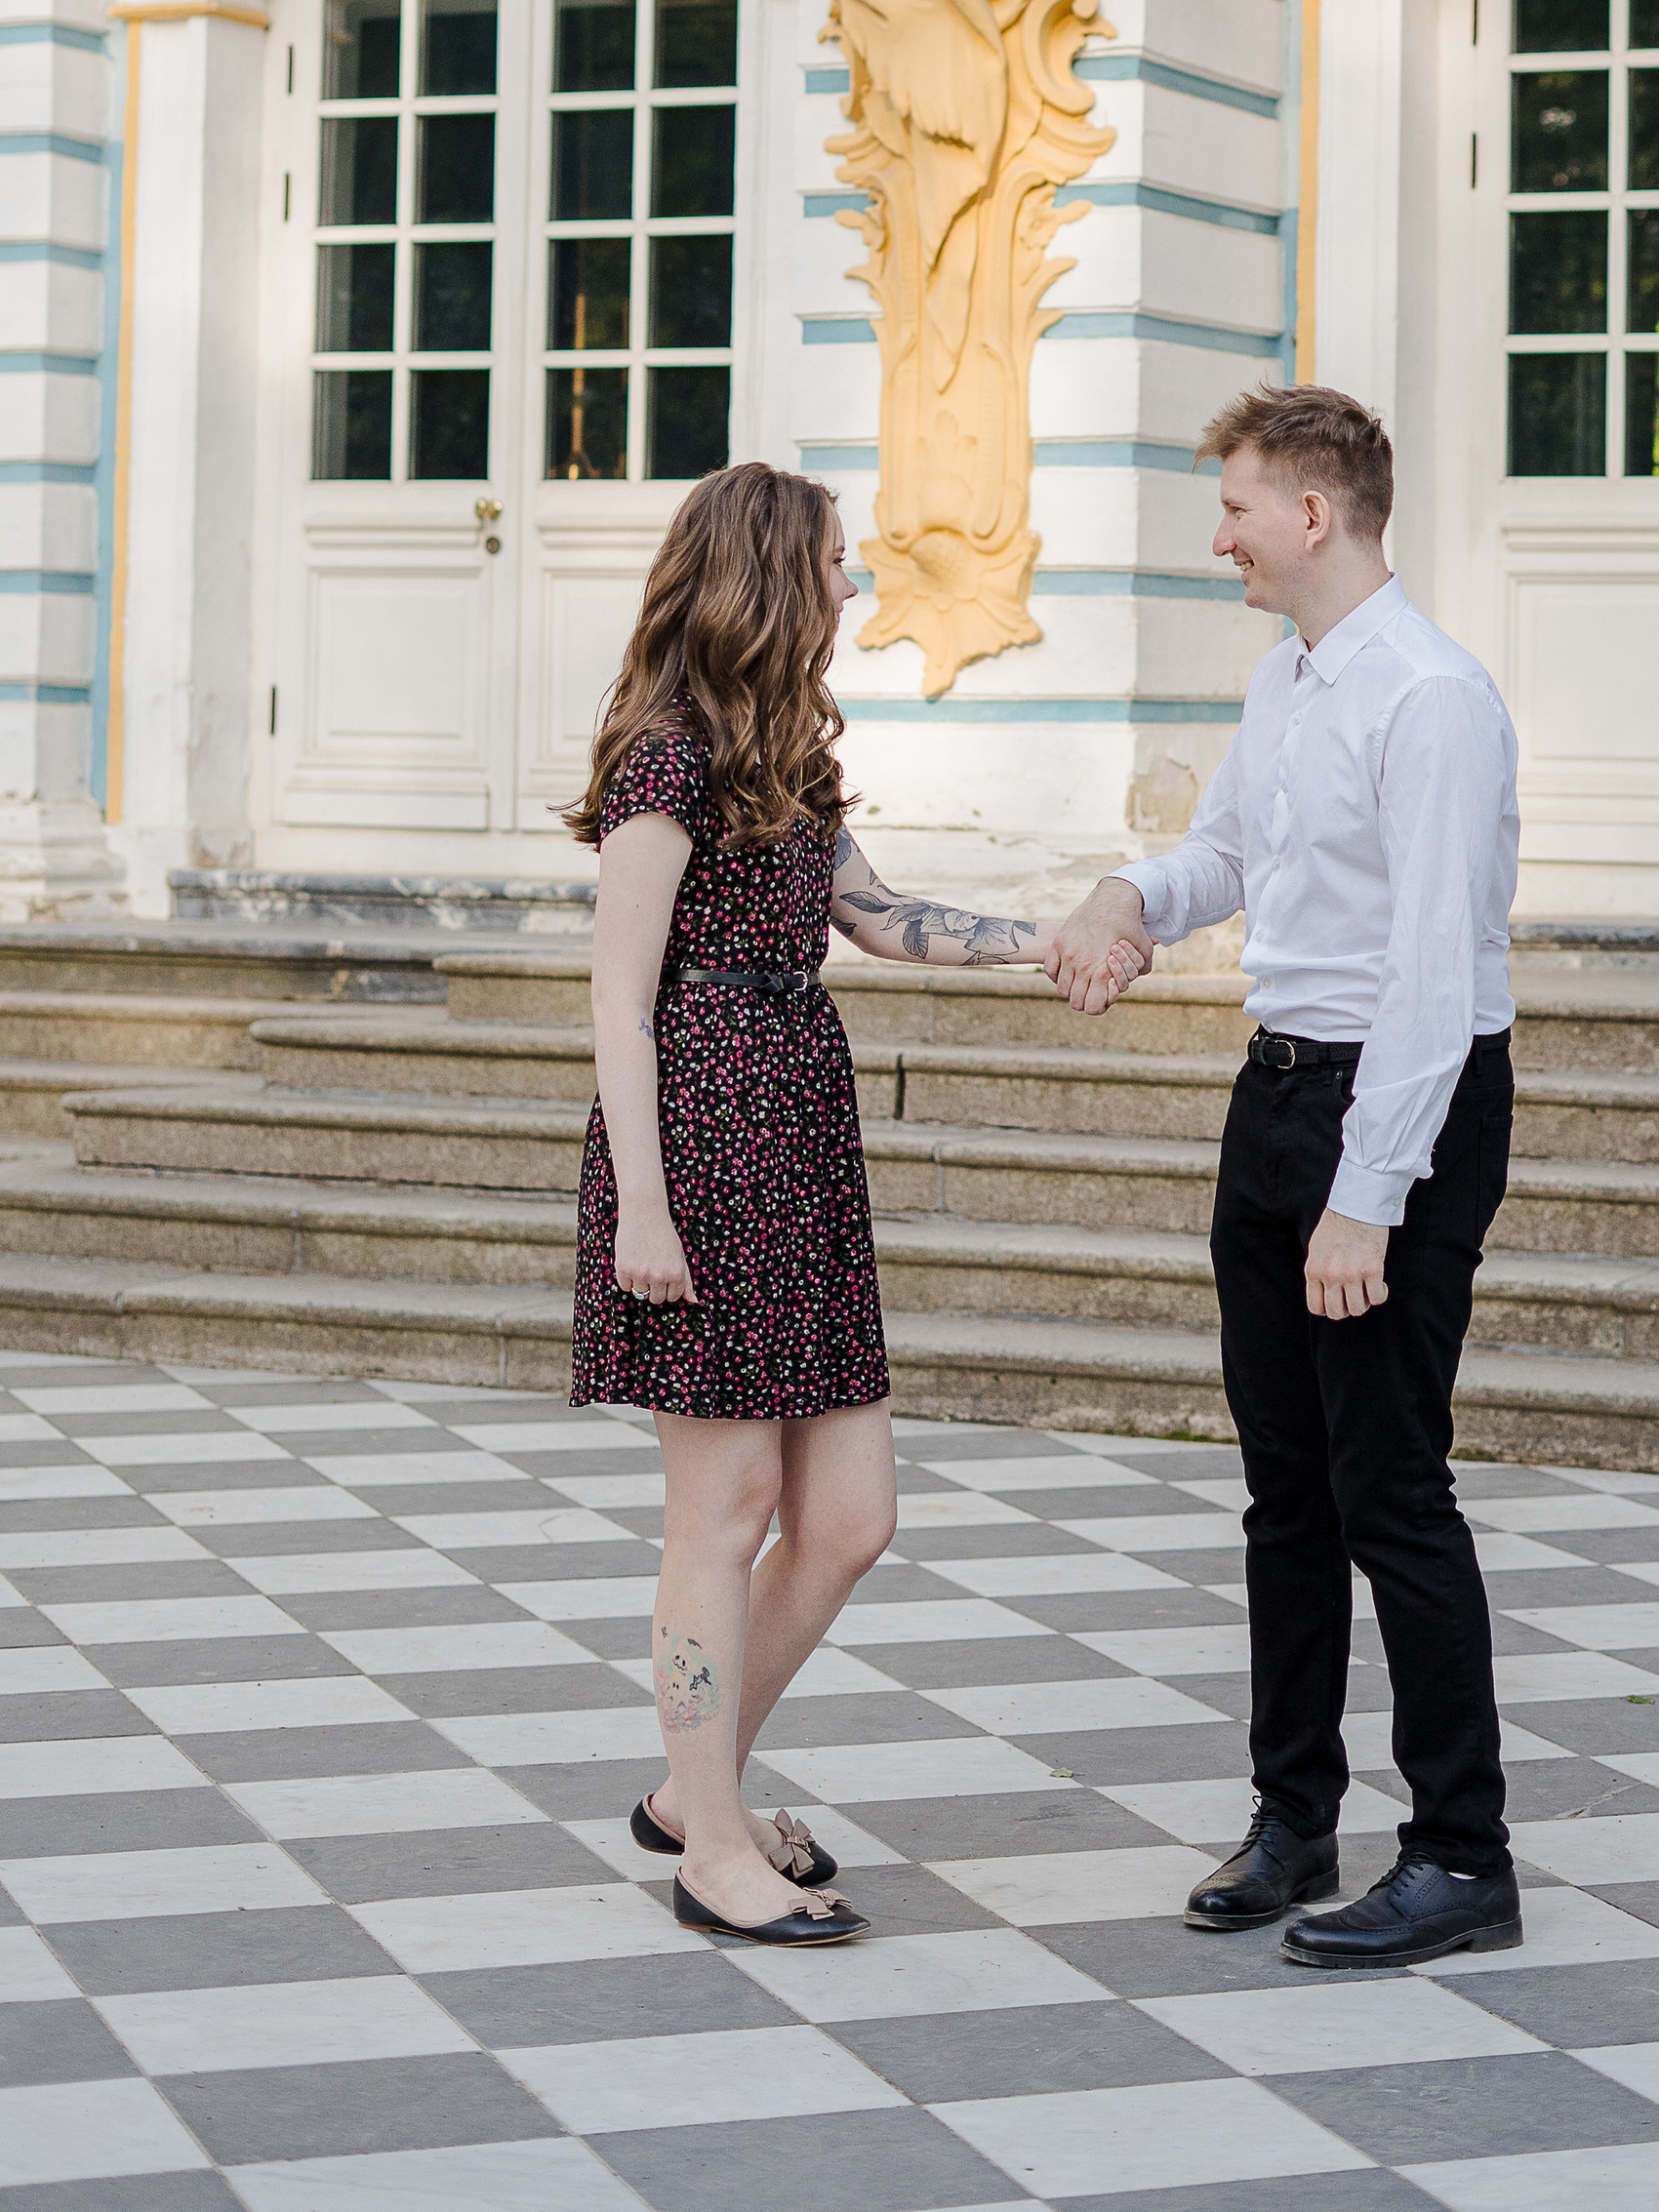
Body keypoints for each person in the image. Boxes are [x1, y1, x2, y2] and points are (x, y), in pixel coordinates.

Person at [1045, 384, 1522, 1970]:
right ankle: (1294, 1820)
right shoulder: (1289, 681)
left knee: (1393, 1488)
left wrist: (1366, 1195)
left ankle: (1462, 1854)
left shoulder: (1431, 699)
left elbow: (1438, 976)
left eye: (1238, 502)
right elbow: (1234, 859)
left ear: (1314, 514)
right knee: (1285, 1493)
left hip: (1400, 1112)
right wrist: (1128, 893)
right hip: (1278, 1092)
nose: (1221, 531)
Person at [566, 461, 1048, 1946]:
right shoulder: (666, 756)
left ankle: (683, 1790)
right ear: (775, 574)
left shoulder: (790, 755)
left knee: (848, 1516)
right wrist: (643, 1208)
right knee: (723, 1509)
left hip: (798, 1135)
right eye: (839, 563)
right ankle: (713, 1839)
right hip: (699, 1140)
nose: (856, 585)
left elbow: (882, 918)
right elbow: (616, 994)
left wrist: (1057, 940)